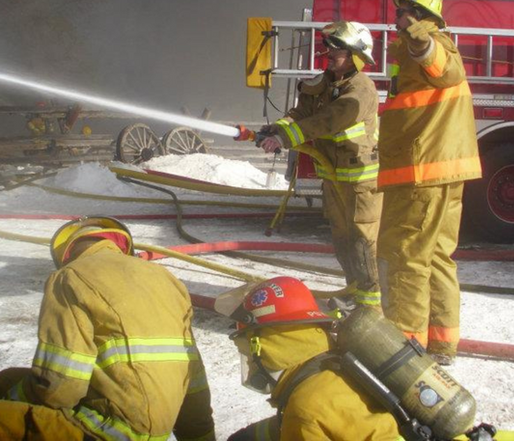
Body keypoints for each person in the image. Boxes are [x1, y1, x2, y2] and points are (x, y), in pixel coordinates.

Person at [0, 216, 215, 441]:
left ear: (66, 255)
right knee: (10, 377)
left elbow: (59, 387)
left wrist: (13, 400)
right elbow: (194, 380)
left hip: (108, 431)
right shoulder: (168, 280)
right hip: (156, 433)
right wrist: (202, 436)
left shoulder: (69, 277)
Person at [377, 0, 482, 365]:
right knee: (436, 256)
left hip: (422, 173)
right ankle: (440, 343)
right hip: (437, 171)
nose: (395, 17)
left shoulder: (429, 42)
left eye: (402, 10)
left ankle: (404, 351)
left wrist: (417, 34)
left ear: (418, 13)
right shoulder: (413, 49)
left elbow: (443, 66)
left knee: (405, 256)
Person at [259, 22, 383, 309]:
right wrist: (276, 129)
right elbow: (300, 113)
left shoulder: (361, 90)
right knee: (342, 239)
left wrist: (286, 138)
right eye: (329, 46)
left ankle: (370, 307)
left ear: (355, 54)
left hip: (360, 181)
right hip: (334, 178)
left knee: (362, 243)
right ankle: (354, 292)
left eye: (337, 48)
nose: (328, 52)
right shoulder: (323, 83)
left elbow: (329, 121)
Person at [215, 276, 400, 441]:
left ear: (267, 347)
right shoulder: (335, 365)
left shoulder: (303, 410)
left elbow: (306, 419)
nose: (249, 363)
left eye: (247, 354)